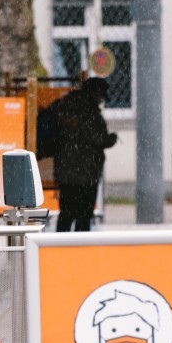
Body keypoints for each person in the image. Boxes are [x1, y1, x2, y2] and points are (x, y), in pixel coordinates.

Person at [53, 77, 117, 232]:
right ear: (95, 92)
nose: (100, 99)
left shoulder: (65, 105)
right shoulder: (90, 111)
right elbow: (98, 139)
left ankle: (58, 247)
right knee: (84, 214)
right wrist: (111, 139)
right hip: (86, 173)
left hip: (65, 171)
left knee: (66, 213)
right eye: (100, 95)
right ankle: (80, 250)